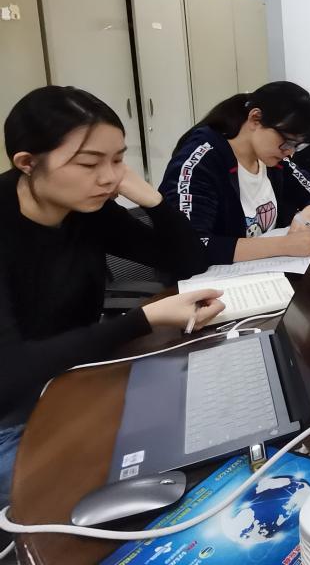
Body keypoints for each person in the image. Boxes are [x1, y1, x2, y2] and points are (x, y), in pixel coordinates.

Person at [0, 86, 225, 510]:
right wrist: (144, 320)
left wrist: (153, 199)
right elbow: (11, 372)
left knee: (194, 438)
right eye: (89, 163)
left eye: (118, 159)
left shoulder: (86, 208)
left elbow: (187, 260)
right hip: (11, 414)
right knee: (118, 486)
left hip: (74, 379)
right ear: (27, 163)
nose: (108, 178)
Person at [159, 81, 310, 265]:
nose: (289, 152)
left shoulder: (272, 160)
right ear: (255, 119)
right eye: (288, 141)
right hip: (214, 278)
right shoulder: (202, 161)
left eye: (297, 146)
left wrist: (304, 218)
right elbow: (191, 246)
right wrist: (283, 245)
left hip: (265, 271)